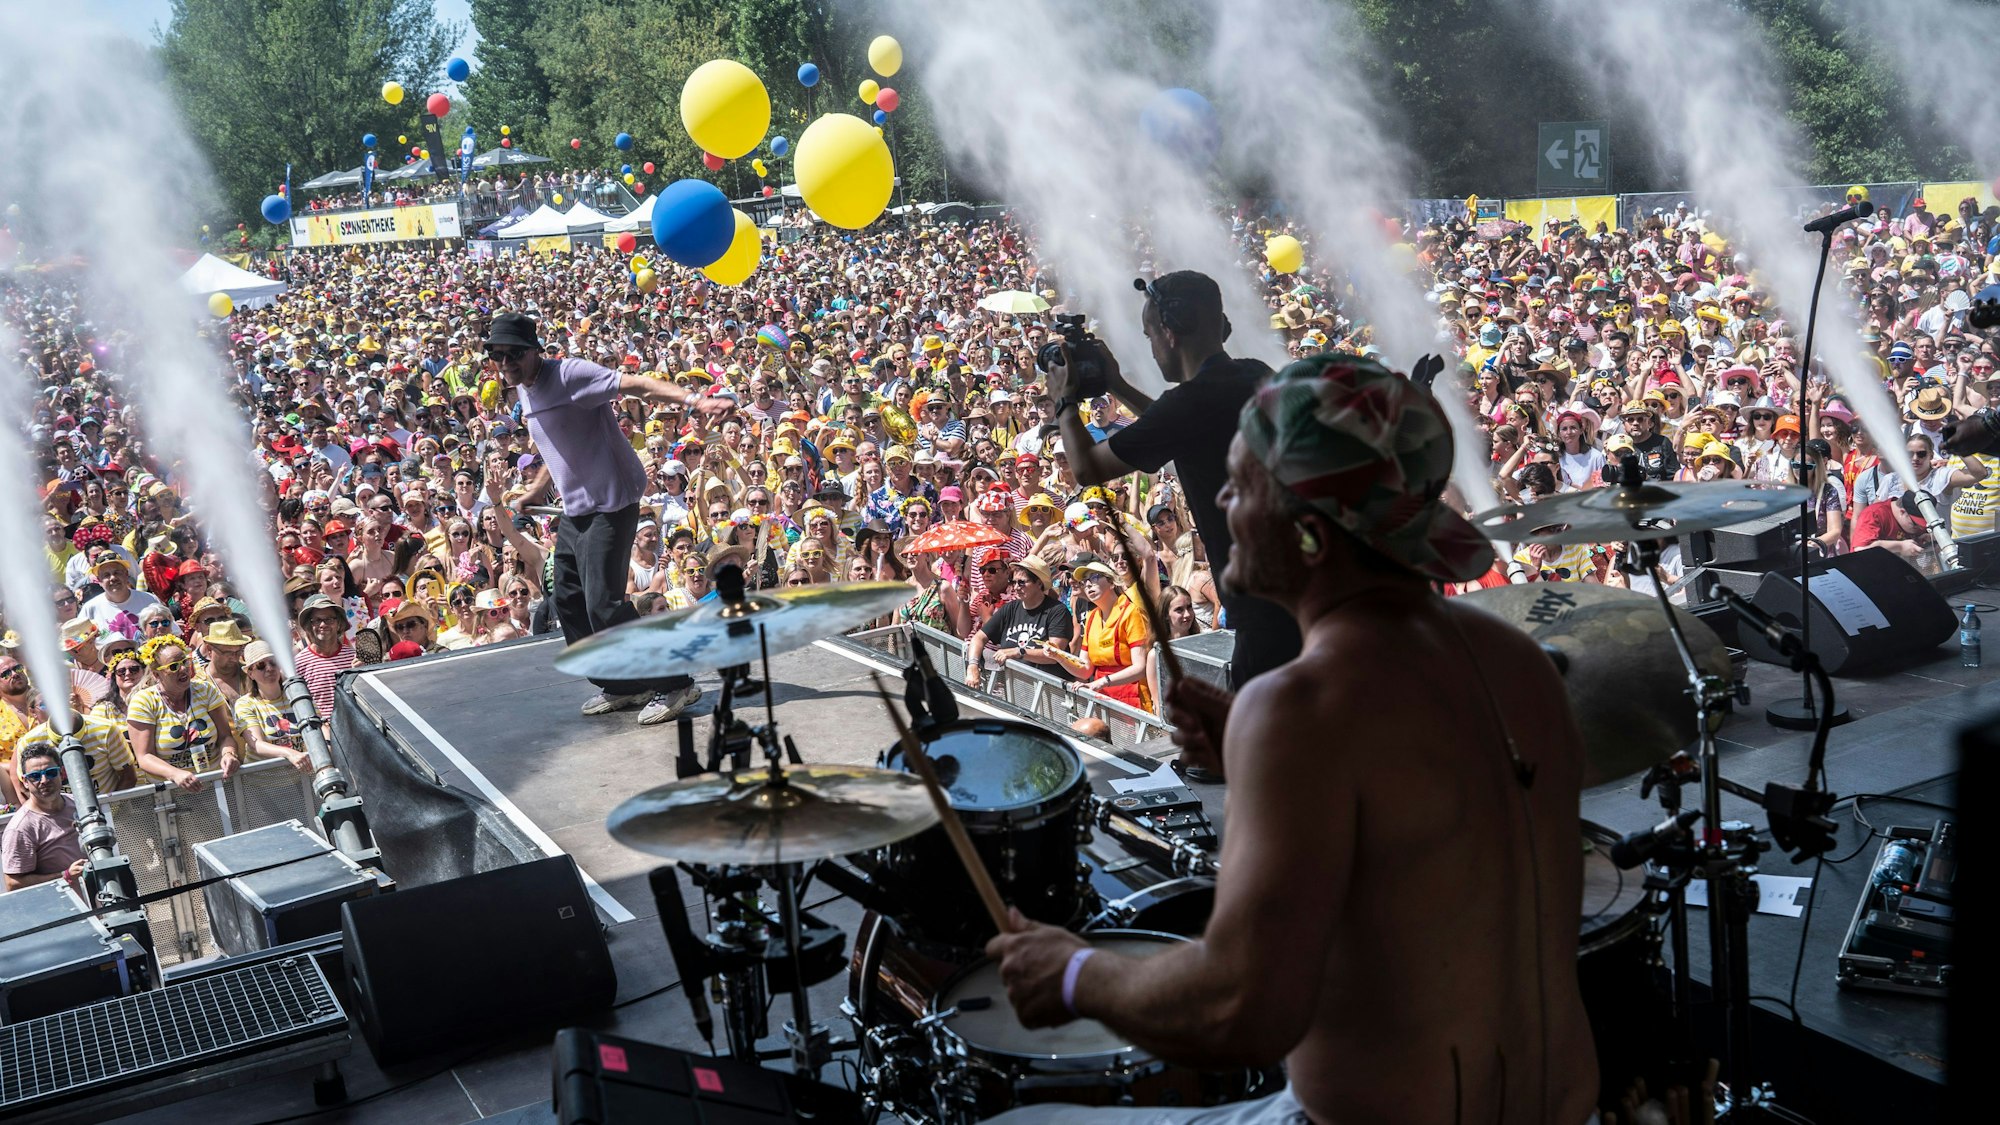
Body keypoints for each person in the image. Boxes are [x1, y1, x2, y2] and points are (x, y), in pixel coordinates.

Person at [983, 354, 1595, 1125]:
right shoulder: (1515, 660)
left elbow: (1242, 1009)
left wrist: (1071, 972)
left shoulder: (1302, 705)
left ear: (1310, 536)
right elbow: (1417, 814)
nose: (1220, 499)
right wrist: (1246, 738)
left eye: (1239, 484)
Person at [1049, 271, 1300, 697]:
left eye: (1149, 334)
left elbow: (1088, 468)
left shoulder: (1186, 405)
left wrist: (1063, 401)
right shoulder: (1254, 374)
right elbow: (1178, 428)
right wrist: (1120, 386)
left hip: (1262, 611)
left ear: (1169, 332)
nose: (1150, 347)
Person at [489, 310, 726, 726]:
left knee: (605, 603)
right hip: (577, 509)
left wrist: (697, 400)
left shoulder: (571, 375)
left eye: (514, 354)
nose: (506, 363)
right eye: (497, 355)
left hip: (612, 502)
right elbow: (555, 444)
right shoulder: (523, 389)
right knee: (566, 598)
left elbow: (636, 384)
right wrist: (534, 491)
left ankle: (675, 683)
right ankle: (623, 683)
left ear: (534, 351)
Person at [127, 636, 242, 792]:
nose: (183, 669)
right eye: (174, 666)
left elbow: (225, 736)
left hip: (216, 784)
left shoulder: (205, 690)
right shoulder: (143, 702)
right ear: (156, 674)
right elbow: (145, 757)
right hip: (172, 793)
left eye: (185, 662)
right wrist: (175, 774)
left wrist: (229, 754)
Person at [964, 556, 1074, 687]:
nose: (1016, 587)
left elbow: (1055, 654)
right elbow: (979, 638)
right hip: (1014, 690)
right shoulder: (1010, 608)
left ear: (1039, 583)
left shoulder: (1057, 611)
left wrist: (1019, 652)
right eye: (1013, 582)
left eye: (1021, 582)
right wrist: (972, 665)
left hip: (1049, 692)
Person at [2, 742, 87, 892]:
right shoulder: (20, 828)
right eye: (34, 776)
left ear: (62, 774)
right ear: (25, 782)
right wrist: (65, 876)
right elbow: (12, 883)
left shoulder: (79, 803)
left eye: (51, 772)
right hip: (67, 908)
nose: (44, 781)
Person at [292, 593, 356, 722]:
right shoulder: (299, 663)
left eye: (329, 619)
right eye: (317, 620)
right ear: (309, 626)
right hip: (322, 736)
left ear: (338, 623)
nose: (322, 625)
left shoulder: (353, 658)